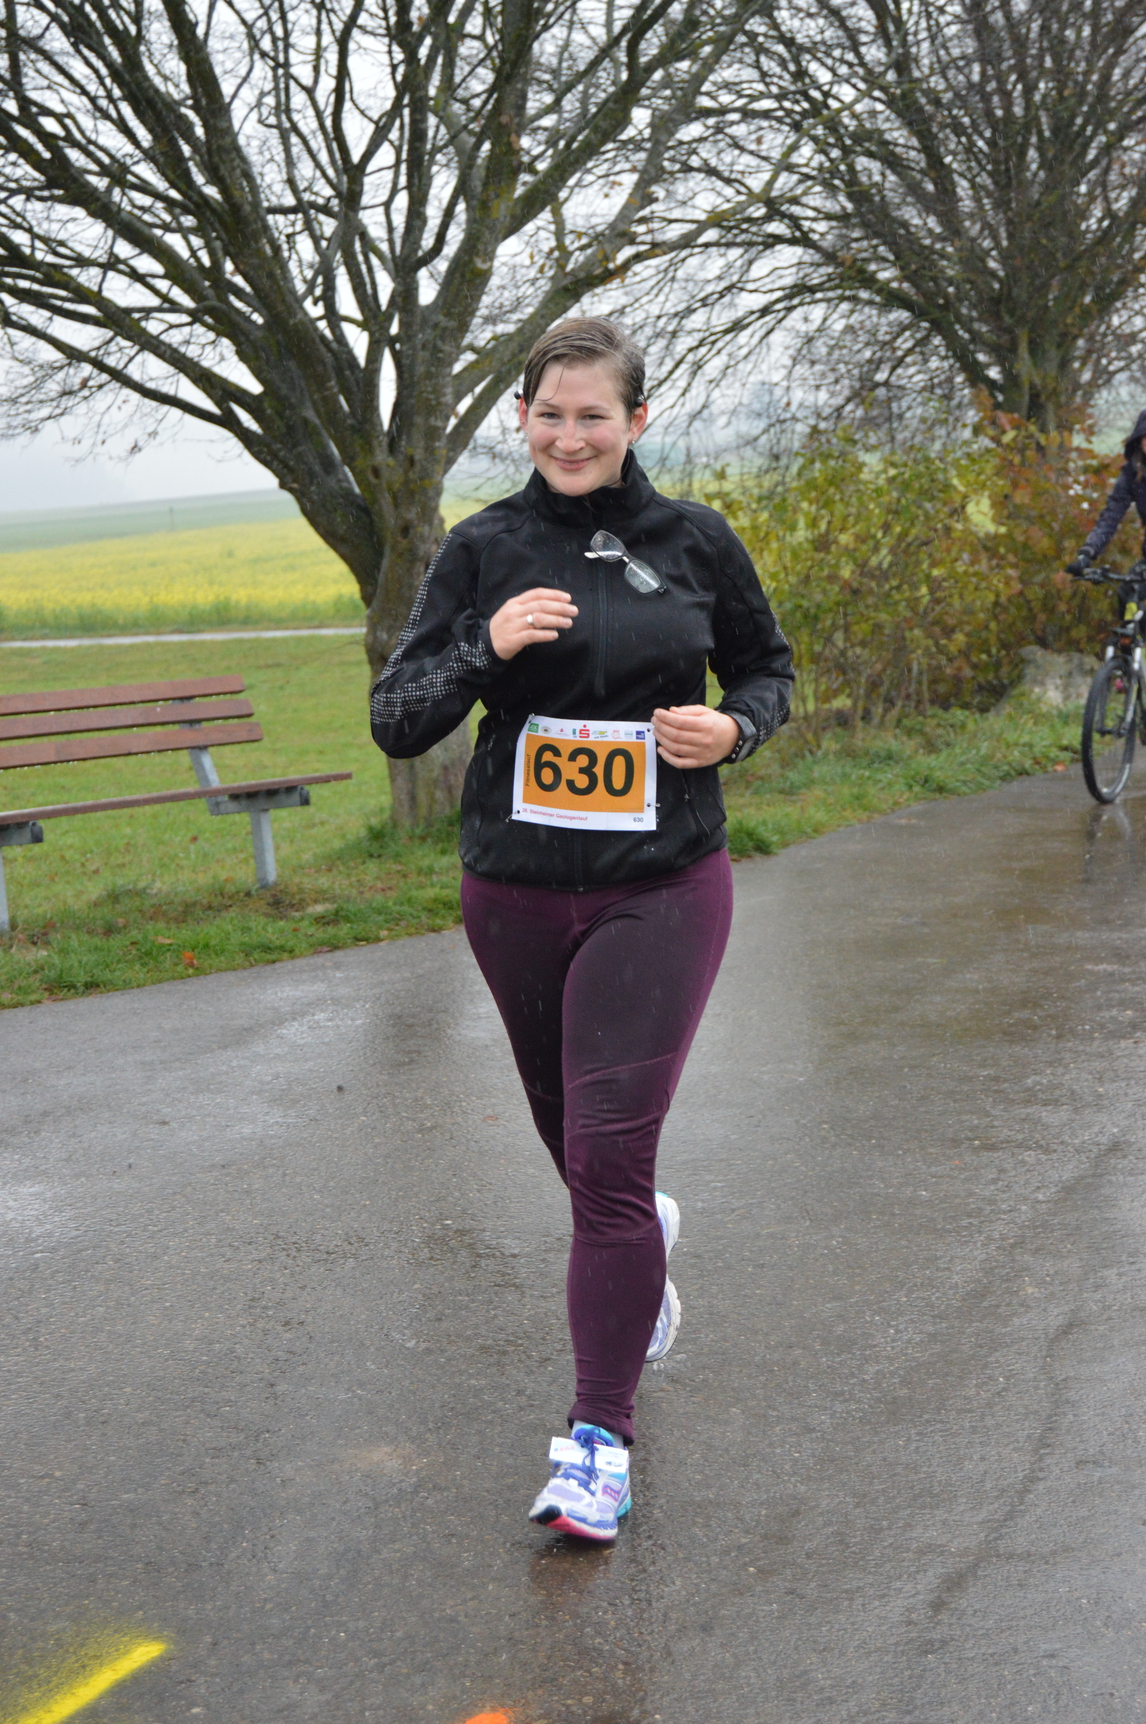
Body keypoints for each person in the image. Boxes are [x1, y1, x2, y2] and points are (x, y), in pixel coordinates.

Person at [370, 317, 793, 1542]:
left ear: (636, 421)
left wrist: (735, 729)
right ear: (523, 417)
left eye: (592, 415)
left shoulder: (695, 540)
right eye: (548, 414)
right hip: (513, 890)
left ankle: (597, 1440)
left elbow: (768, 670)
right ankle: (640, 1242)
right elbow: (398, 717)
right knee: (579, 1145)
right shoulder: (483, 547)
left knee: (605, 1160)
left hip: (660, 885)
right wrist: (484, 643)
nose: (568, 435)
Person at [1066, 408, 1146, 575]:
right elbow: (1111, 516)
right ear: (1139, 440)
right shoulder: (1132, 474)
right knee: (1129, 588)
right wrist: (1088, 552)